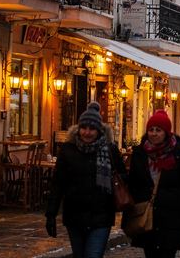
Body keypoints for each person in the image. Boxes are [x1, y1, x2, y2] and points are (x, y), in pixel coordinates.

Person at [46, 101, 126, 258]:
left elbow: (123, 177)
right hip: (75, 216)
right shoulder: (68, 150)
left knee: (93, 255)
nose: (87, 133)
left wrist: (110, 180)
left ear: (99, 130)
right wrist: (51, 215)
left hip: (101, 216)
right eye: (84, 128)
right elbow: (58, 184)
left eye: (92, 129)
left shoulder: (109, 149)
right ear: (78, 129)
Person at [125, 110, 180, 257]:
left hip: (172, 217)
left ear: (166, 132)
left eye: (158, 130)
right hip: (148, 217)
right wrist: (129, 214)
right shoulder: (140, 154)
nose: (154, 133)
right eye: (151, 130)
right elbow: (133, 186)